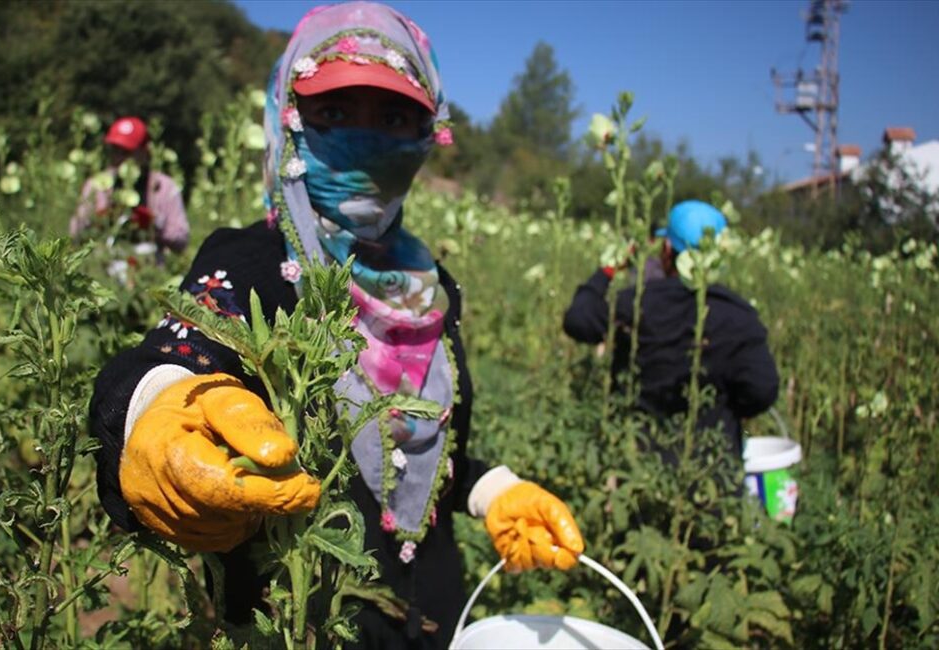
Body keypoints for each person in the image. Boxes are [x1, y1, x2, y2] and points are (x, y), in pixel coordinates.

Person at [88, 4, 584, 648]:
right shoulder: (249, 261)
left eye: (394, 118)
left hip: (433, 612)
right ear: (287, 120)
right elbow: (180, 351)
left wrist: (496, 489)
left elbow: (422, 452)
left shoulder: (431, 286)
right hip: (298, 617)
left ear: (428, 131)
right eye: (334, 113)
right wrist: (154, 402)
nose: (366, 141)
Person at [562, 200, 780, 459]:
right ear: (719, 254)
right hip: (711, 468)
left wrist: (609, 268)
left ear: (666, 249)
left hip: (636, 463)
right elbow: (762, 391)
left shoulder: (636, 303)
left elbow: (578, 320)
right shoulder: (739, 316)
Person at [69, 116, 190, 268]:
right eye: (115, 150)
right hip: (104, 268)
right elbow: (75, 233)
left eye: (126, 152)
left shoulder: (164, 187)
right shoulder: (97, 185)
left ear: (144, 152)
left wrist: (153, 225)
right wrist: (99, 220)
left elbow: (181, 239)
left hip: (147, 270)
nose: (119, 158)